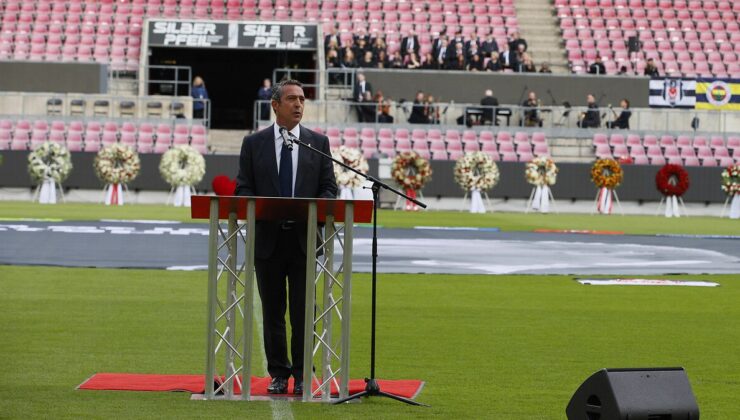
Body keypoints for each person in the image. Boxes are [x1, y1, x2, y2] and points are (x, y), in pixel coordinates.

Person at [234, 79, 338, 396]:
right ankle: (278, 373)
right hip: (267, 242)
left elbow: (329, 188)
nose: (298, 105)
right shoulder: (254, 144)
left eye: (302, 100)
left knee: (304, 312)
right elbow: (243, 189)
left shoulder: (317, 143)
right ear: (275, 105)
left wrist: (315, 210)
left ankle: (304, 374)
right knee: (273, 313)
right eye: (291, 99)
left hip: (304, 242)